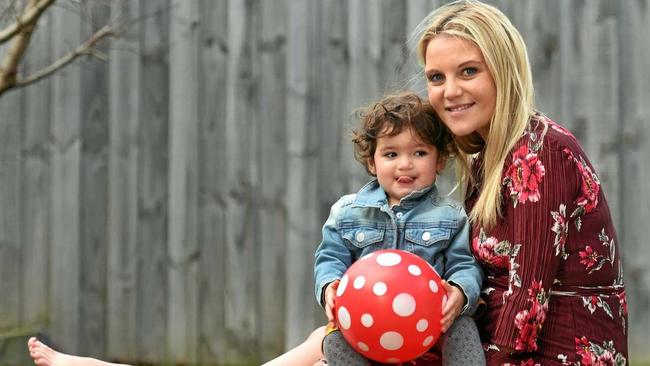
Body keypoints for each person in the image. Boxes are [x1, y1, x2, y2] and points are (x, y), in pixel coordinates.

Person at [266, 0, 628, 364]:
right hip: (488, 341)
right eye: (436, 77)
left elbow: (526, 305)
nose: (449, 91)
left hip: (550, 352)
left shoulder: (541, 152)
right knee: (326, 341)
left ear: (503, 70)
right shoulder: (488, 158)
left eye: (468, 71)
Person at [313, 92, 485, 366]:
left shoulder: (451, 217)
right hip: (367, 319)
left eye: (419, 152)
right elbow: (330, 258)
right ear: (373, 162)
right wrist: (328, 287)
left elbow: (464, 264)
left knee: (463, 329)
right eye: (391, 154)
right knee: (334, 341)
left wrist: (459, 291)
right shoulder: (348, 213)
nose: (405, 164)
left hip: (431, 321)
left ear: (439, 160)